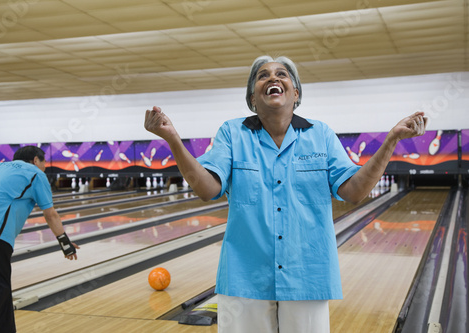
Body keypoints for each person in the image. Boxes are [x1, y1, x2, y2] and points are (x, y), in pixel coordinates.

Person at [144, 55, 427, 332]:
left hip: (307, 275)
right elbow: (207, 189)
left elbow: (354, 192)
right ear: (252, 98)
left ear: (296, 94)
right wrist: (172, 139)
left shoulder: (321, 134)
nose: (272, 78)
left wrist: (391, 141)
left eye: (282, 74)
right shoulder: (232, 133)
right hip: (245, 278)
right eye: (262, 75)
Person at [0, 146, 79, 333]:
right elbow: (50, 213)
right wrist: (65, 243)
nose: (44, 167)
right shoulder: (36, 174)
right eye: (44, 163)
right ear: (36, 160)